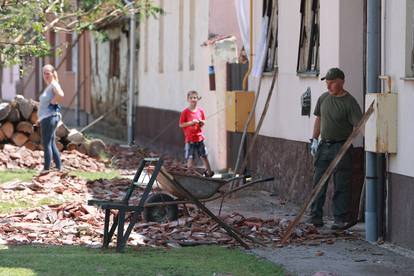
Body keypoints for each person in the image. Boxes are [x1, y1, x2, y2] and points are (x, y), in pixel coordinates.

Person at [308, 67, 362, 230]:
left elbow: (358, 125)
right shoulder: (323, 99)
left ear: (341, 82)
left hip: (341, 146)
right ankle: (315, 217)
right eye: (327, 83)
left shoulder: (350, 103)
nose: (328, 86)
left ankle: (340, 219)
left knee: (341, 184)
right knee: (318, 182)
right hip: (324, 146)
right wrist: (314, 139)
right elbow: (318, 119)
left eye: (332, 83)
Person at [179, 90, 214, 177]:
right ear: (188, 99)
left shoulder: (200, 111)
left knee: (204, 156)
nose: (193, 99)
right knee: (190, 157)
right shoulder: (185, 112)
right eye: (191, 98)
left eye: (194, 98)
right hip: (190, 139)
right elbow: (181, 124)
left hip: (199, 138)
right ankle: (189, 174)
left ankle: (209, 173)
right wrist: (191, 123)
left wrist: (201, 122)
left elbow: (203, 123)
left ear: (197, 99)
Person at [38, 64, 64, 174]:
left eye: (48, 73)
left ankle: (46, 169)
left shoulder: (53, 84)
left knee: (46, 143)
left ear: (53, 73)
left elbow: (61, 94)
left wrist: (54, 101)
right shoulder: (50, 86)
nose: (46, 75)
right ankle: (58, 167)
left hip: (49, 118)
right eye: (44, 73)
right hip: (47, 117)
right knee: (51, 143)